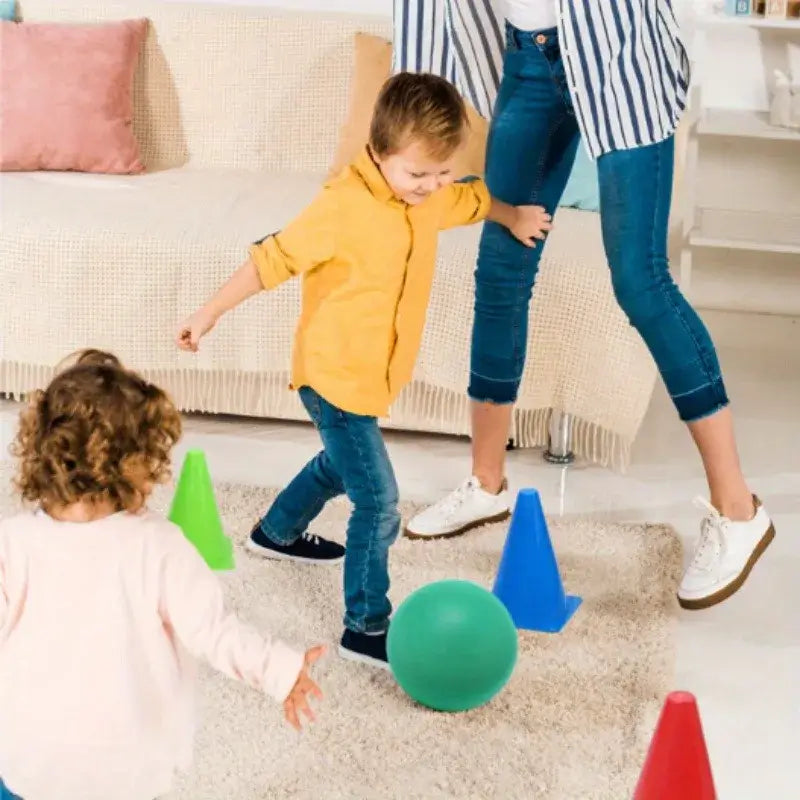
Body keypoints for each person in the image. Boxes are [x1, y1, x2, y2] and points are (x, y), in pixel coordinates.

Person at [401, 0, 774, 610]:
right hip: (527, 59)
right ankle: (486, 483)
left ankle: (738, 510)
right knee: (500, 268)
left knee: (640, 280)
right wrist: (411, 99)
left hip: (616, 56)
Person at [176, 73, 552, 667]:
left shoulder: (428, 198)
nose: (429, 187)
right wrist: (207, 313)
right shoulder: (341, 206)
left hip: (373, 376)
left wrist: (512, 215)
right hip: (331, 375)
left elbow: (472, 199)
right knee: (377, 501)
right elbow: (269, 260)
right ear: (378, 154)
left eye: (439, 173)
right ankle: (366, 625)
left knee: (339, 463)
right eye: (415, 174)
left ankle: (275, 534)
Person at [0, 350, 323, 800]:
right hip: (123, 770)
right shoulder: (159, 546)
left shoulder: (12, 543)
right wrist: (280, 670)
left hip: (32, 762)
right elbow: (214, 631)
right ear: (128, 466)